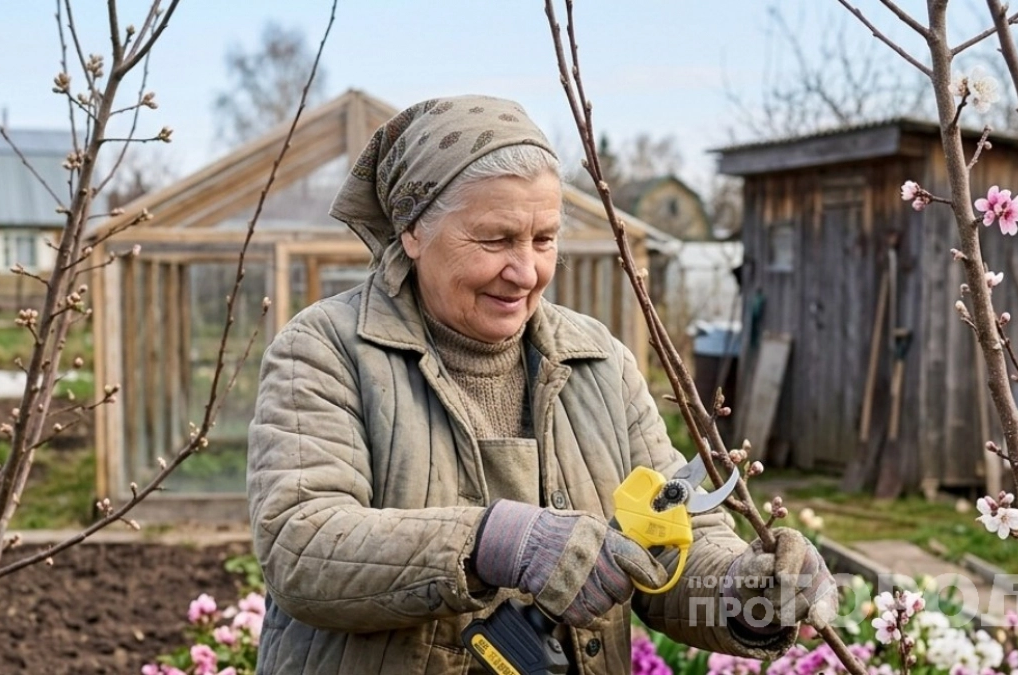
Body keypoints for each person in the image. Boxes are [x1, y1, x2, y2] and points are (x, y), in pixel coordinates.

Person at [247, 95, 837, 674]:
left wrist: (747, 594)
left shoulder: (597, 361)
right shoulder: (326, 349)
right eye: (496, 239)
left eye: (544, 239)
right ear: (413, 232)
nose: (526, 271)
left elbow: (675, 547)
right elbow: (301, 544)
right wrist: (495, 540)